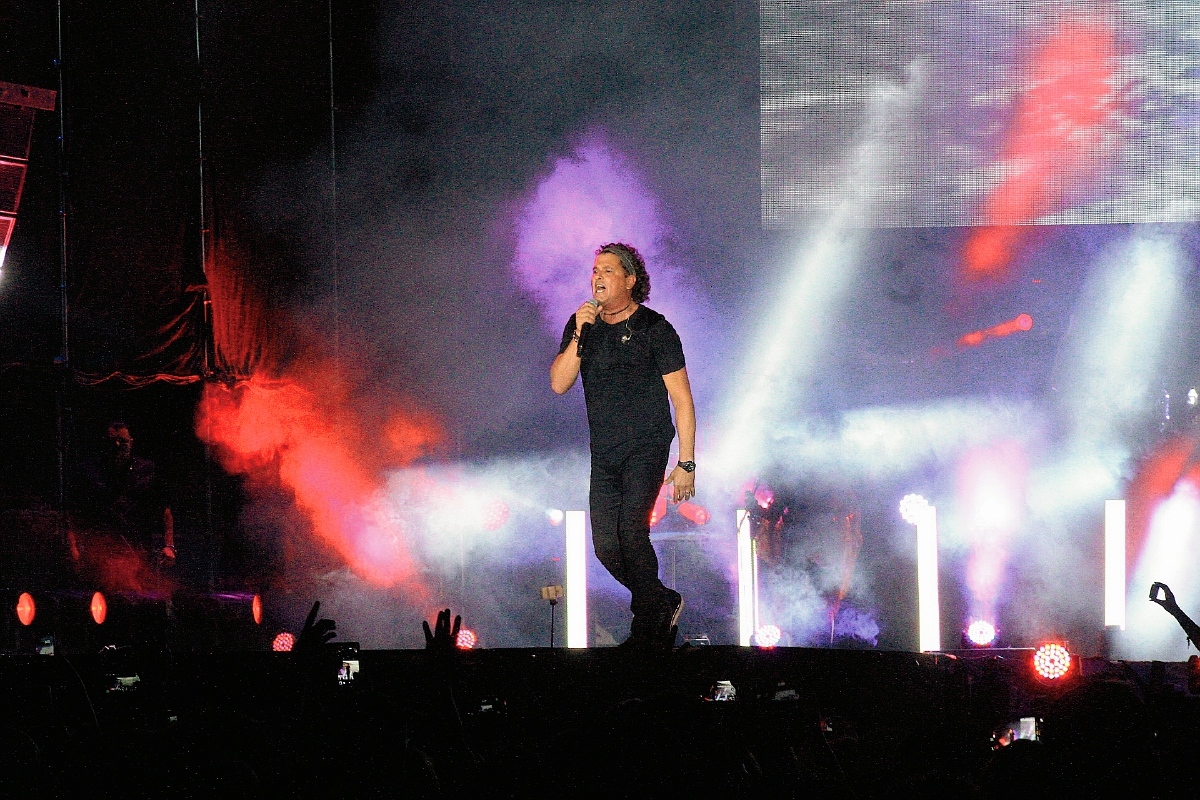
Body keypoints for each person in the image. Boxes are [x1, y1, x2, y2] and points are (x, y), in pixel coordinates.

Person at [550, 242, 697, 648]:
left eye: (608, 270)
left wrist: (686, 463)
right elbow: (559, 383)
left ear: (631, 280)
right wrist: (581, 332)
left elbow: (682, 399)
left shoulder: (656, 328)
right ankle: (661, 602)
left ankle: (647, 629)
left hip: (647, 446)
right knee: (605, 547)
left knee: (632, 534)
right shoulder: (583, 325)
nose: (597, 277)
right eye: (595, 270)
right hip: (606, 452)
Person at [69, 422, 176, 582]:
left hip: (138, 550)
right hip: (101, 552)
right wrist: (73, 547)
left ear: (131, 442)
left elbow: (164, 510)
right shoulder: (91, 472)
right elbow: (74, 513)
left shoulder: (145, 470)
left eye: (123, 441)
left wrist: (169, 546)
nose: (118, 445)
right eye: (113, 441)